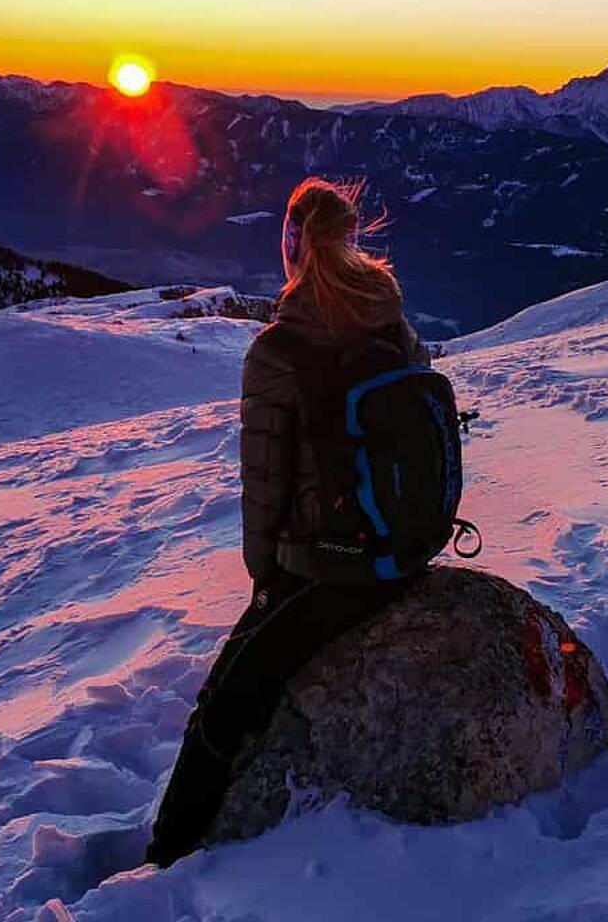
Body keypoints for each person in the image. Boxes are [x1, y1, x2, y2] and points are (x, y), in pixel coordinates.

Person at [145, 178, 432, 867]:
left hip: (326, 567)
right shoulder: (393, 326)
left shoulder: (277, 351)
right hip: (406, 551)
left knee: (223, 706)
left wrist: (265, 580)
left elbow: (264, 484)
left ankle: (165, 858)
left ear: (295, 247)